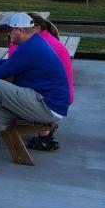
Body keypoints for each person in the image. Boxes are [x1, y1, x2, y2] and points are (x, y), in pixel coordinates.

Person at [0, 12, 70, 175]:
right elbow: (12, 63)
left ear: (20, 31)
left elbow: (2, 73)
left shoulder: (32, 47)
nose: (8, 34)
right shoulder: (32, 43)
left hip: (46, 106)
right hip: (35, 99)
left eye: (10, 30)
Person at [18, 12, 74, 151]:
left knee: (3, 91)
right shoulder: (46, 39)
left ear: (36, 27)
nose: (18, 32)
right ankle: (45, 136)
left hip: (53, 98)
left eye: (21, 28)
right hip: (61, 93)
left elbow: (14, 62)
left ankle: (44, 132)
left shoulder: (40, 44)